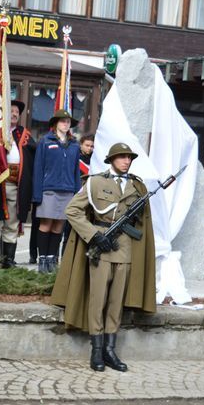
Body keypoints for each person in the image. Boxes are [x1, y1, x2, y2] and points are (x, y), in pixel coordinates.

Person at [51, 143, 156, 372]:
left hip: (125, 249)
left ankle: (110, 349)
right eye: (121, 157)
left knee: (115, 303)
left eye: (129, 157)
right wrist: (93, 236)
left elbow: (144, 223)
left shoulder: (138, 186)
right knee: (98, 300)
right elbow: (72, 210)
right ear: (111, 160)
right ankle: (96, 350)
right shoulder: (96, 182)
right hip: (102, 246)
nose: (126, 161)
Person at [0, 100, 36, 267]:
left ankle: (8, 261)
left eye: (16, 112)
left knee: (12, 224)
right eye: (10, 111)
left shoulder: (24, 135)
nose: (13, 114)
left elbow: (32, 159)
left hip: (16, 185)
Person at [32, 109, 81, 273]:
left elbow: (76, 170)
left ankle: (53, 259)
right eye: (62, 121)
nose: (65, 124)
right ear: (55, 124)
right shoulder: (45, 141)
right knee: (46, 224)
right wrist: (37, 194)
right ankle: (42, 260)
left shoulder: (74, 145)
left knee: (59, 226)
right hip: (49, 189)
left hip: (67, 191)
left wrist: (77, 192)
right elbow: (38, 168)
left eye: (68, 122)